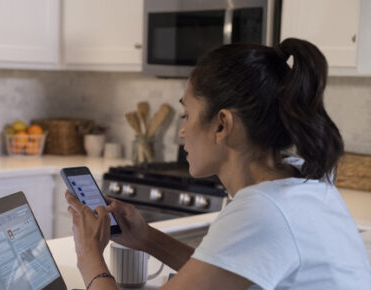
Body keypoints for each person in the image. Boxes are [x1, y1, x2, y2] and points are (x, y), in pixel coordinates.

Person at [65, 38, 371, 290]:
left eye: (187, 115)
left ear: (222, 124)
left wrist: (89, 257)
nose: (182, 131)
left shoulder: (264, 210)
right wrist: (147, 239)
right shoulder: (300, 179)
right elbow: (223, 273)